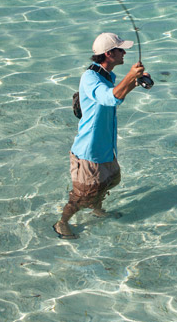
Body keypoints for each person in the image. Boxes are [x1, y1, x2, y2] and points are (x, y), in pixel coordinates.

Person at [54, 32, 148, 239]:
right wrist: (130, 77)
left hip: (105, 147)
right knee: (81, 197)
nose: (124, 52)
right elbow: (109, 97)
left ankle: (97, 210)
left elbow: (116, 95)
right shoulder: (90, 78)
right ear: (108, 53)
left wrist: (135, 82)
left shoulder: (107, 75)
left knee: (110, 181)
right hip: (89, 151)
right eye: (120, 49)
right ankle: (61, 223)